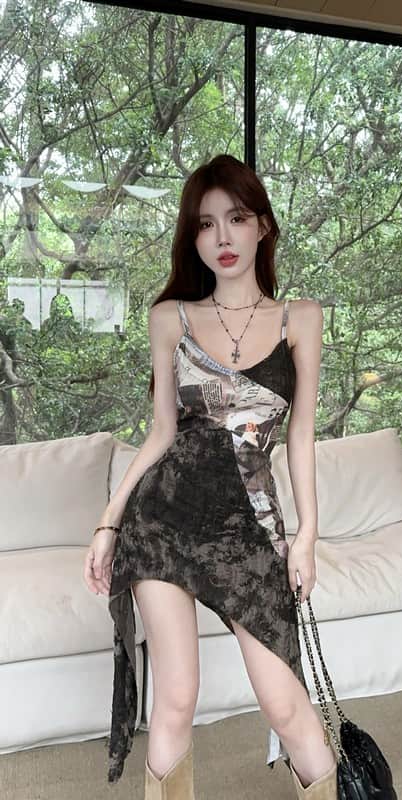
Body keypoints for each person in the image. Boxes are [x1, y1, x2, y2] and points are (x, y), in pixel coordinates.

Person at [83, 153, 338, 799]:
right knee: (176, 697)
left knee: (285, 703)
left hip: (247, 528)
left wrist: (306, 535)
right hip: (162, 521)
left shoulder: (301, 318)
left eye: (237, 218)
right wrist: (109, 523)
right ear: (193, 238)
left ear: (263, 226)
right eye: (205, 224)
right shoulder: (170, 317)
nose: (222, 236)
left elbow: (300, 435)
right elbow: (160, 434)